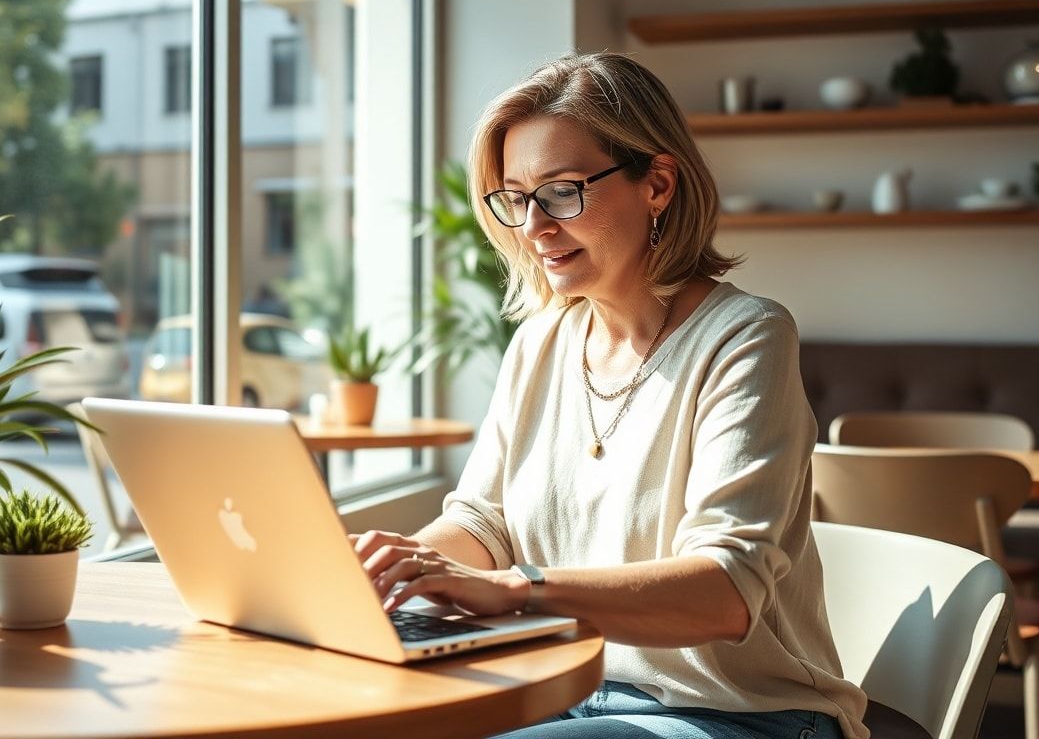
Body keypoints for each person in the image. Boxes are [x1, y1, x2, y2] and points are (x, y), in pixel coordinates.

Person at [350, 53, 868, 739]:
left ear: (656, 184)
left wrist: (512, 591)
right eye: (515, 198)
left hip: (735, 715)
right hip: (565, 692)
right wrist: (396, 573)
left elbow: (726, 592)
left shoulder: (747, 337)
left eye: (562, 191)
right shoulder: (541, 343)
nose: (533, 226)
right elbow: (484, 523)